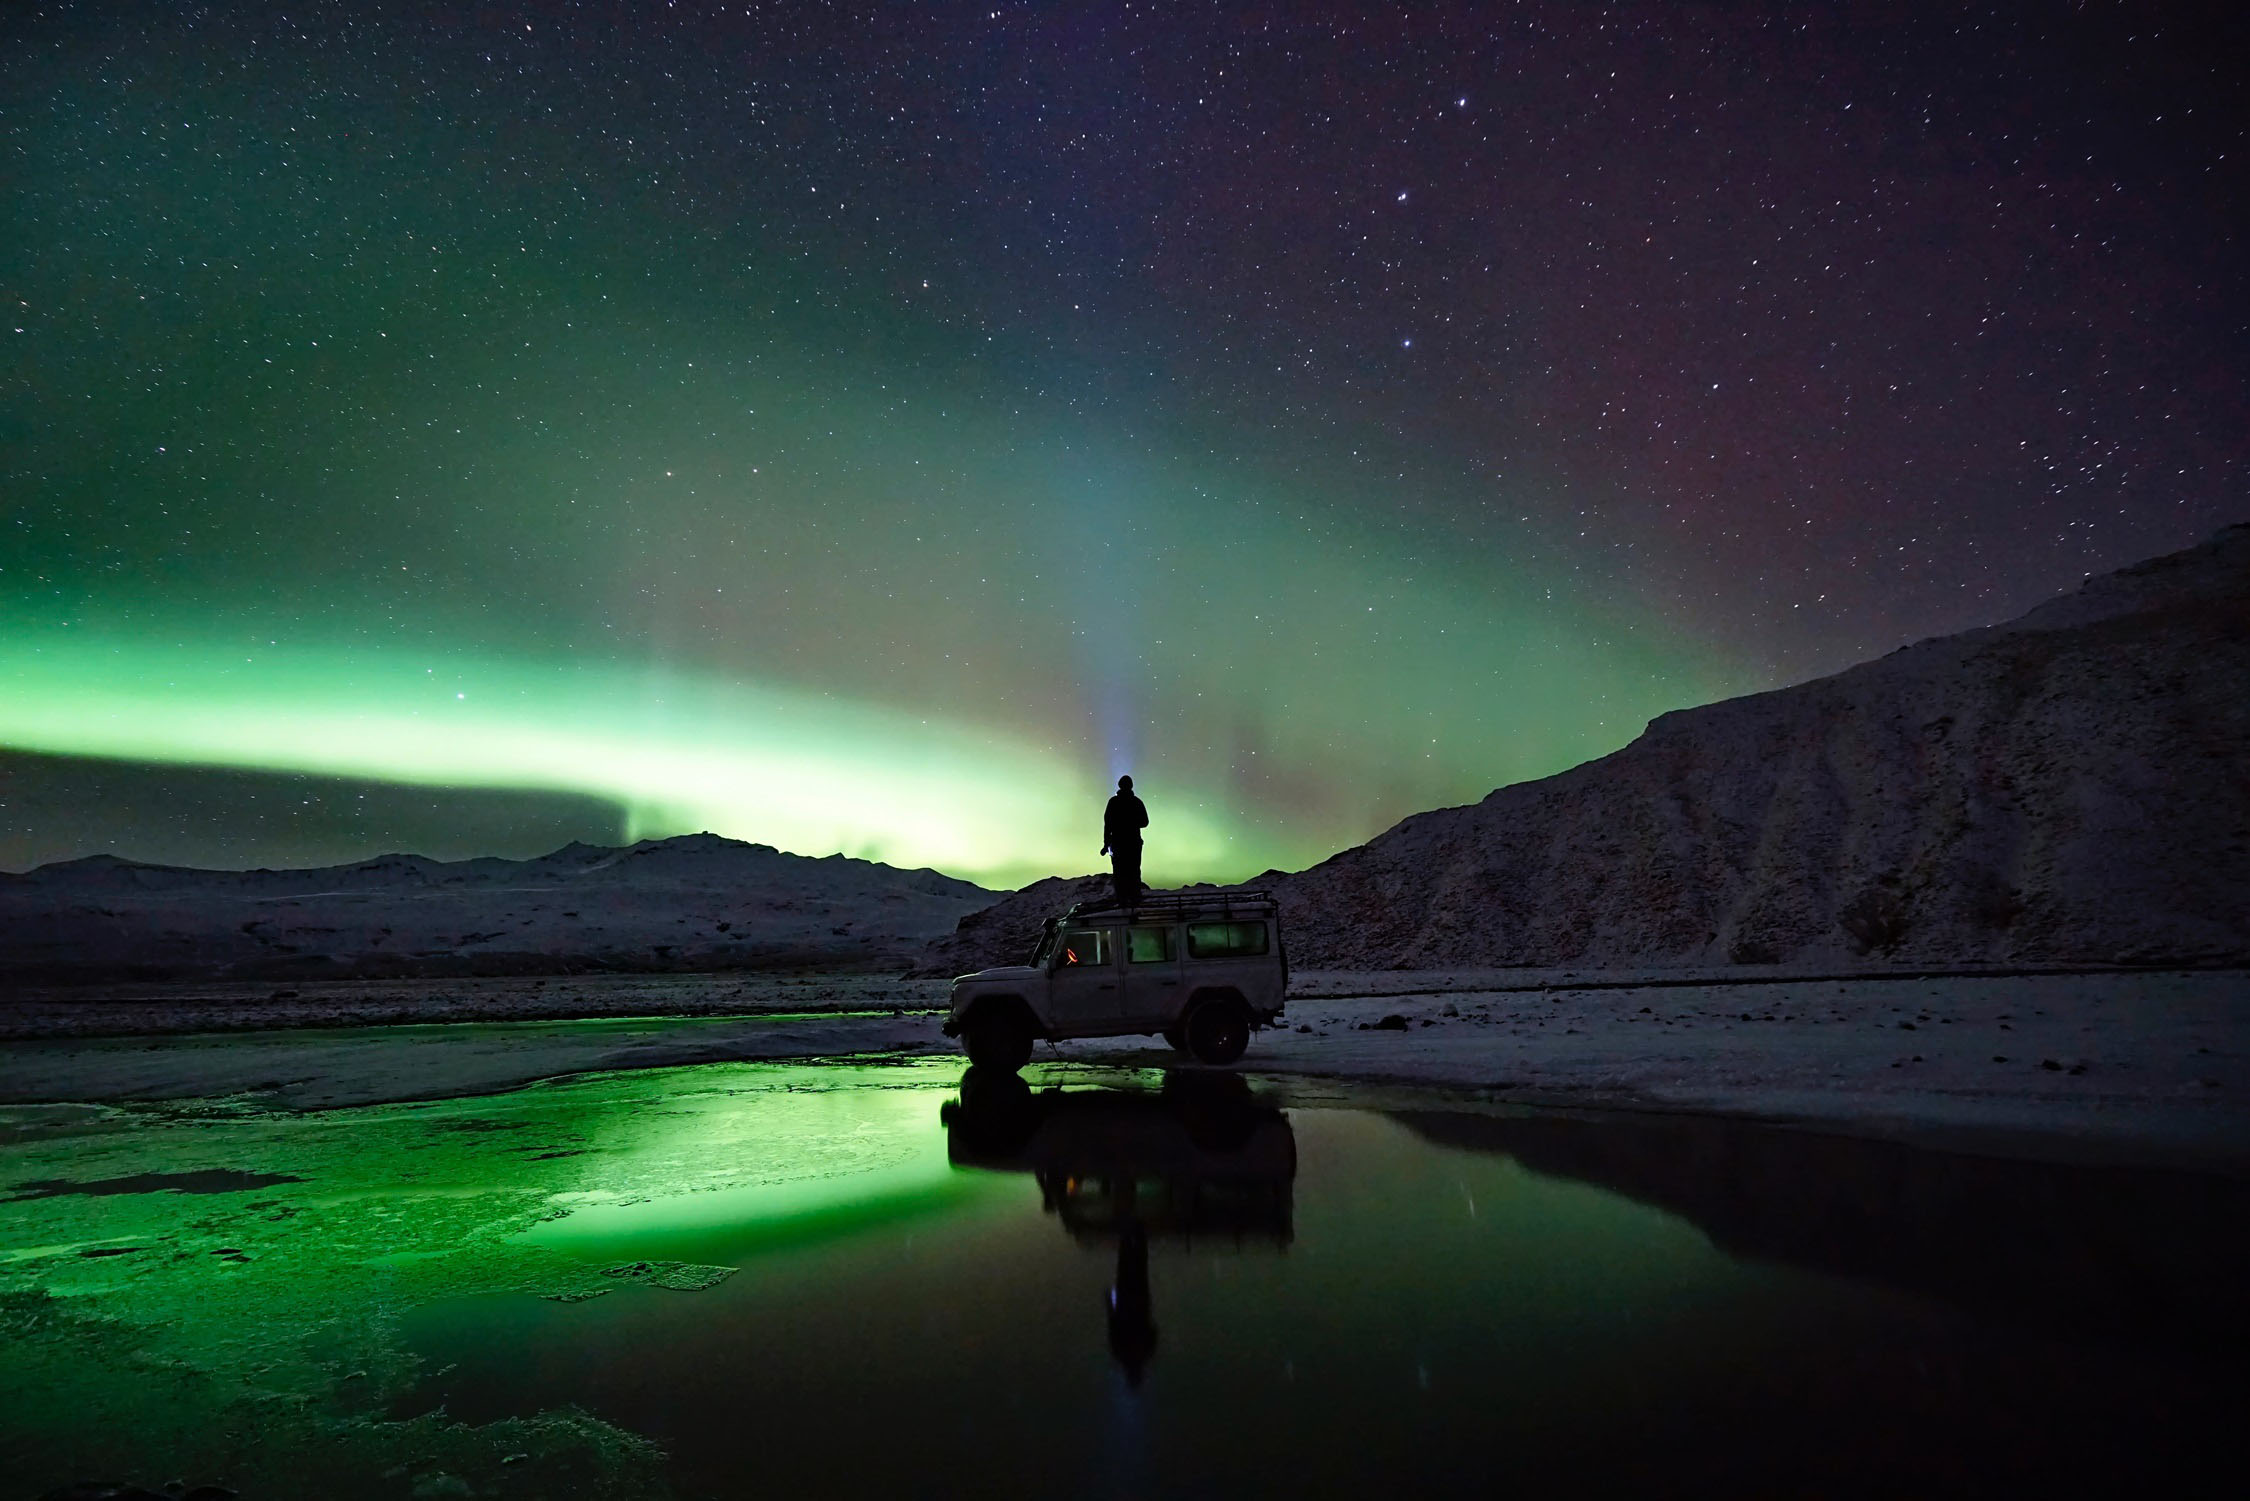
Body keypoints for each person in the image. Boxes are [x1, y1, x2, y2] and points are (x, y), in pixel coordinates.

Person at [1101, 774, 1148, 908]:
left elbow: (1107, 825)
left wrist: (1106, 843)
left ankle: (1123, 901)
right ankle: (1134, 899)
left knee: (1120, 872)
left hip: (1118, 843)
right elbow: (1144, 822)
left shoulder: (1113, 802)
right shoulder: (1137, 802)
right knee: (1133, 871)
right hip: (1132, 843)